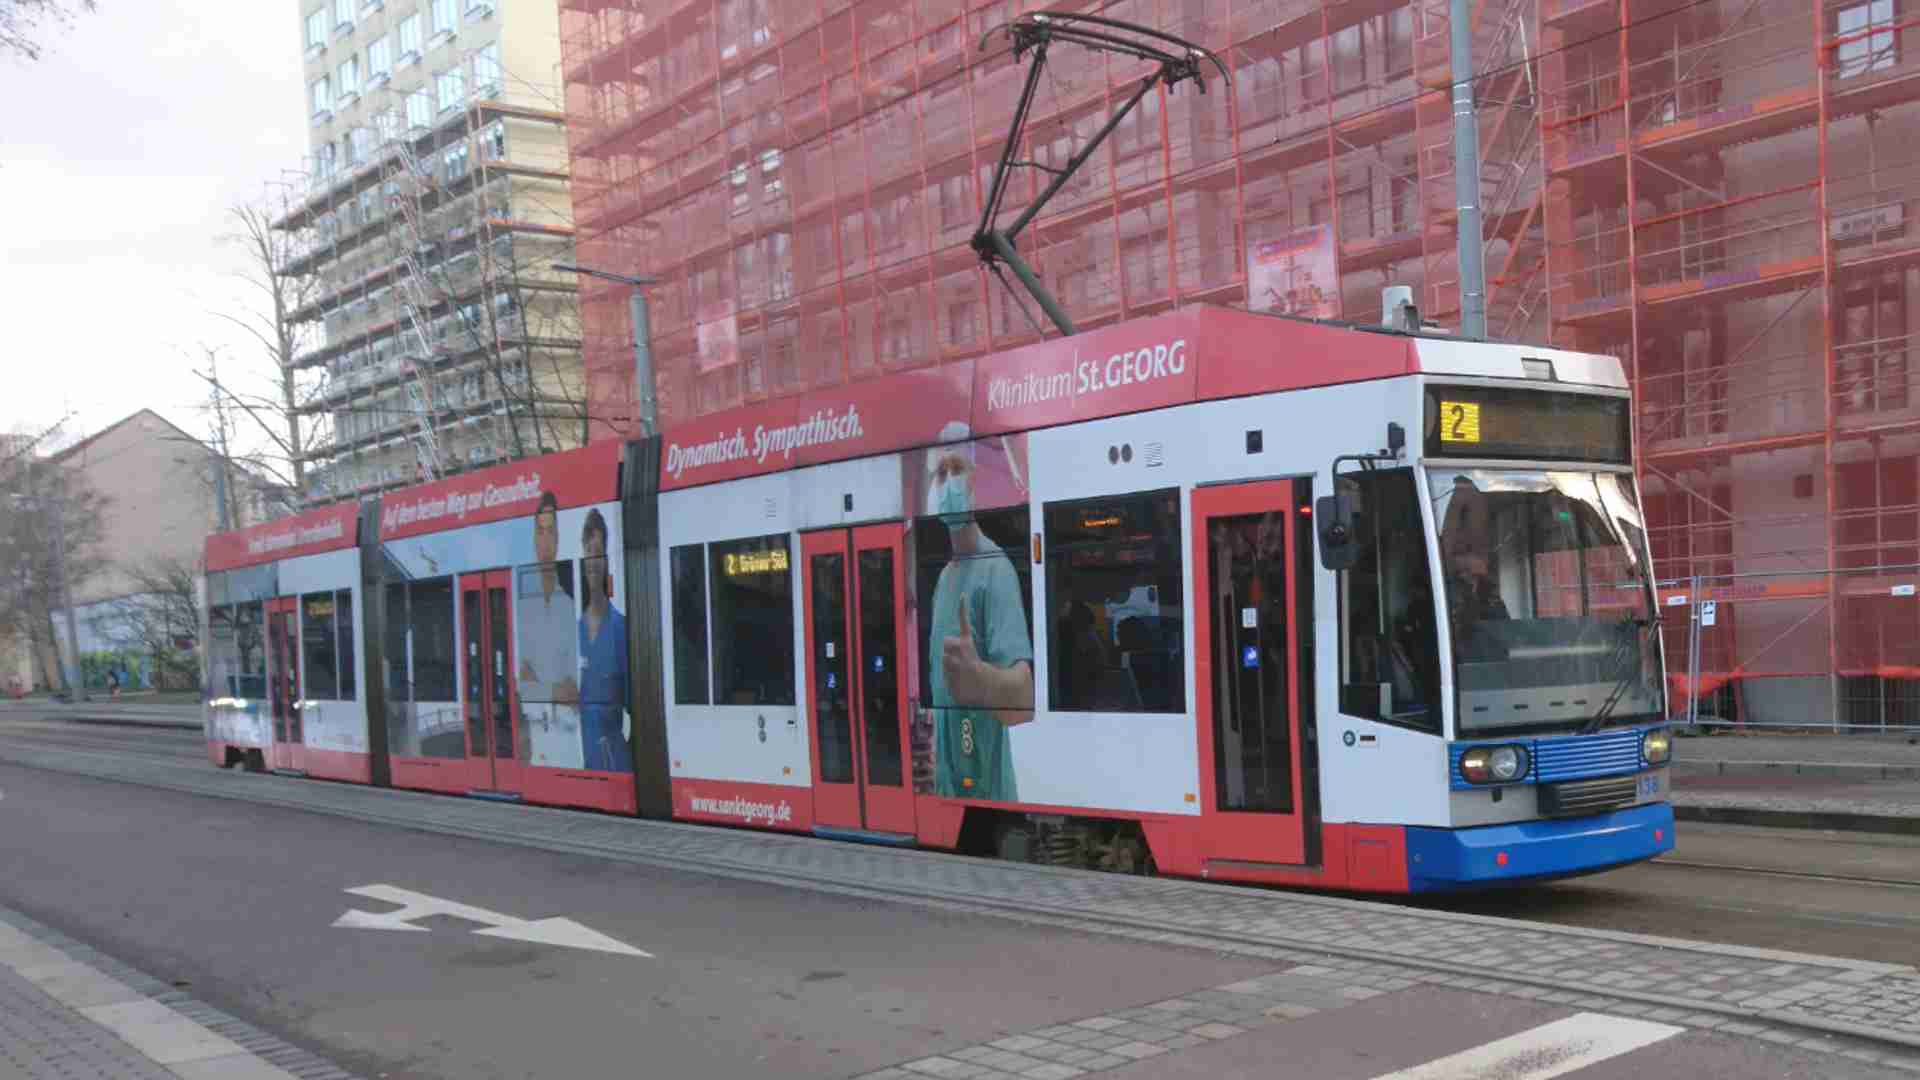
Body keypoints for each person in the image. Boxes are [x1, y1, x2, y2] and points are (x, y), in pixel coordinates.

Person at [923, 434, 1033, 802]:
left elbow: (1023, 698)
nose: (949, 481)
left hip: (985, 787)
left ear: (974, 482)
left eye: (957, 469)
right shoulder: (945, 577)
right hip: (949, 786)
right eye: (941, 473)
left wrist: (980, 678)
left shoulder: (995, 570)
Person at [576, 508, 630, 772]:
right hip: (587, 764)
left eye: (599, 553)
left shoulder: (621, 627)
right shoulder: (574, 631)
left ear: (607, 558)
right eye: (589, 552)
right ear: (583, 557)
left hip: (617, 765)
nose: (594, 561)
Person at [517, 493, 579, 708]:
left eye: (551, 532)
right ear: (534, 537)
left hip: (569, 727)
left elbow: (576, 687)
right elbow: (519, 683)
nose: (545, 541)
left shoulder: (571, 602)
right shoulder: (521, 605)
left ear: (559, 537)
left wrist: (537, 687)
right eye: (540, 532)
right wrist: (556, 690)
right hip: (535, 729)